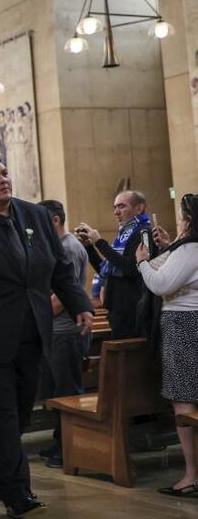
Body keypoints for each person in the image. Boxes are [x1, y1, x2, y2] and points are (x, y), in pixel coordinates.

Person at [0, 157, 93, 517]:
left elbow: (61, 270)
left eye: (4, 174)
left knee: (18, 414)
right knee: (0, 417)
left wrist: (81, 304)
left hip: (33, 333)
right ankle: (19, 494)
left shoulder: (35, 217)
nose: (3, 180)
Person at [136, 193, 198, 498]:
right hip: (190, 323)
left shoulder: (190, 249)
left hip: (184, 326)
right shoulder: (186, 248)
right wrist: (169, 245)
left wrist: (142, 263)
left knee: (183, 401)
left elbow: (161, 284)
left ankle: (191, 476)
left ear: (189, 219)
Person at [37, 199, 90, 469]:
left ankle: (69, 448)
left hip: (66, 332)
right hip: (59, 332)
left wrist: (32, 313)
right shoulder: (61, 246)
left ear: (55, 221)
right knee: (59, 390)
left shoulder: (68, 247)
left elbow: (59, 301)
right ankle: (60, 442)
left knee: (67, 391)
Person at [75, 190, 157, 339]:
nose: (116, 212)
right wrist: (89, 247)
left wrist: (100, 243)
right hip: (117, 308)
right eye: (115, 207)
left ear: (139, 208)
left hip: (133, 309)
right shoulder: (123, 236)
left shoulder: (145, 233)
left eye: (121, 206)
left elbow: (133, 269)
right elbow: (105, 271)